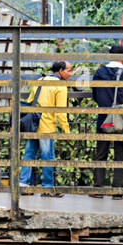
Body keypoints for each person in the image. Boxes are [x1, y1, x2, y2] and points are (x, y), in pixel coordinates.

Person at [20, 60, 72, 194]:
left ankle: (23, 185)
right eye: (68, 70)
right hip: (46, 126)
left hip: (33, 125)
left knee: (29, 155)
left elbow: (30, 101)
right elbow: (61, 111)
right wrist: (66, 131)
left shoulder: (40, 80)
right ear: (60, 71)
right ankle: (47, 188)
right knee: (47, 157)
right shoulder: (60, 87)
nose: (70, 73)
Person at [92, 44, 123, 192]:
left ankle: (98, 189)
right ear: (122, 57)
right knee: (120, 156)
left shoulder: (99, 73)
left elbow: (95, 95)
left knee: (101, 153)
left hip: (104, 118)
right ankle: (117, 190)